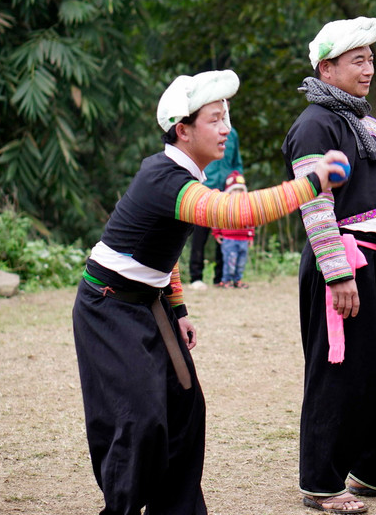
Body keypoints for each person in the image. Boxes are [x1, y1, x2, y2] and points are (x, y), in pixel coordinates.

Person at [72, 69, 348, 515]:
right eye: (215, 119)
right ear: (183, 130)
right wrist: (311, 182)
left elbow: (167, 250)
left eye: (227, 117)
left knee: (185, 408)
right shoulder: (164, 178)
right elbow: (235, 212)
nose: (226, 129)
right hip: (107, 306)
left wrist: (177, 305)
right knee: (139, 420)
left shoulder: (184, 178)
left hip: (152, 304)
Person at [282, 16, 376, 513]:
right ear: (327, 67)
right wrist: (338, 271)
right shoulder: (313, 125)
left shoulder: (369, 124)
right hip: (341, 261)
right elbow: (315, 205)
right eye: (358, 60)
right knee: (337, 370)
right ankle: (320, 482)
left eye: (371, 59)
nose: (369, 68)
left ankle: (375, 473)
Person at [188, 126, 243, 290]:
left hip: (226, 193)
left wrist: (236, 182)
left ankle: (221, 277)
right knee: (199, 237)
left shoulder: (233, 134)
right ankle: (196, 277)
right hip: (204, 191)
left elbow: (236, 164)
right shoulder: (202, 131)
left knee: (225, 236)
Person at [211, 170, 255, 289]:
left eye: (240, 190)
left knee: (241, 262)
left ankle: (238, 280)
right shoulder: (225, 207)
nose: (238, 193)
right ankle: (226, 281)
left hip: (243, 240)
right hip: (229, 239)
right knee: (230, 261)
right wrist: (217, 233)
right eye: (235, 190)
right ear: (229, 192)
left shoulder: (246, 207)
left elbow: (251, 222)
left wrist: (250, 236)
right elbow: (216, 220)